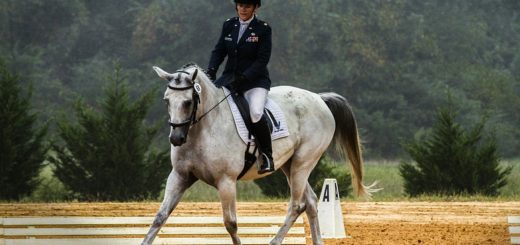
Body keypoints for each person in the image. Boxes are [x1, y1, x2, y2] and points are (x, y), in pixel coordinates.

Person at [207, 0, 274, 174]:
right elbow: (219, 50)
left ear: (255, 7)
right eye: (240, 6)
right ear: (236, 6)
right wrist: (211, 71)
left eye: (248, 6)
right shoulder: (229, 25)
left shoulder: (263, 29)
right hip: (229, 78)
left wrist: (245, 77)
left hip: (255, 81)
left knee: (256, 112)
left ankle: (267, 156)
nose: (243, 9)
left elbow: (262, 60)